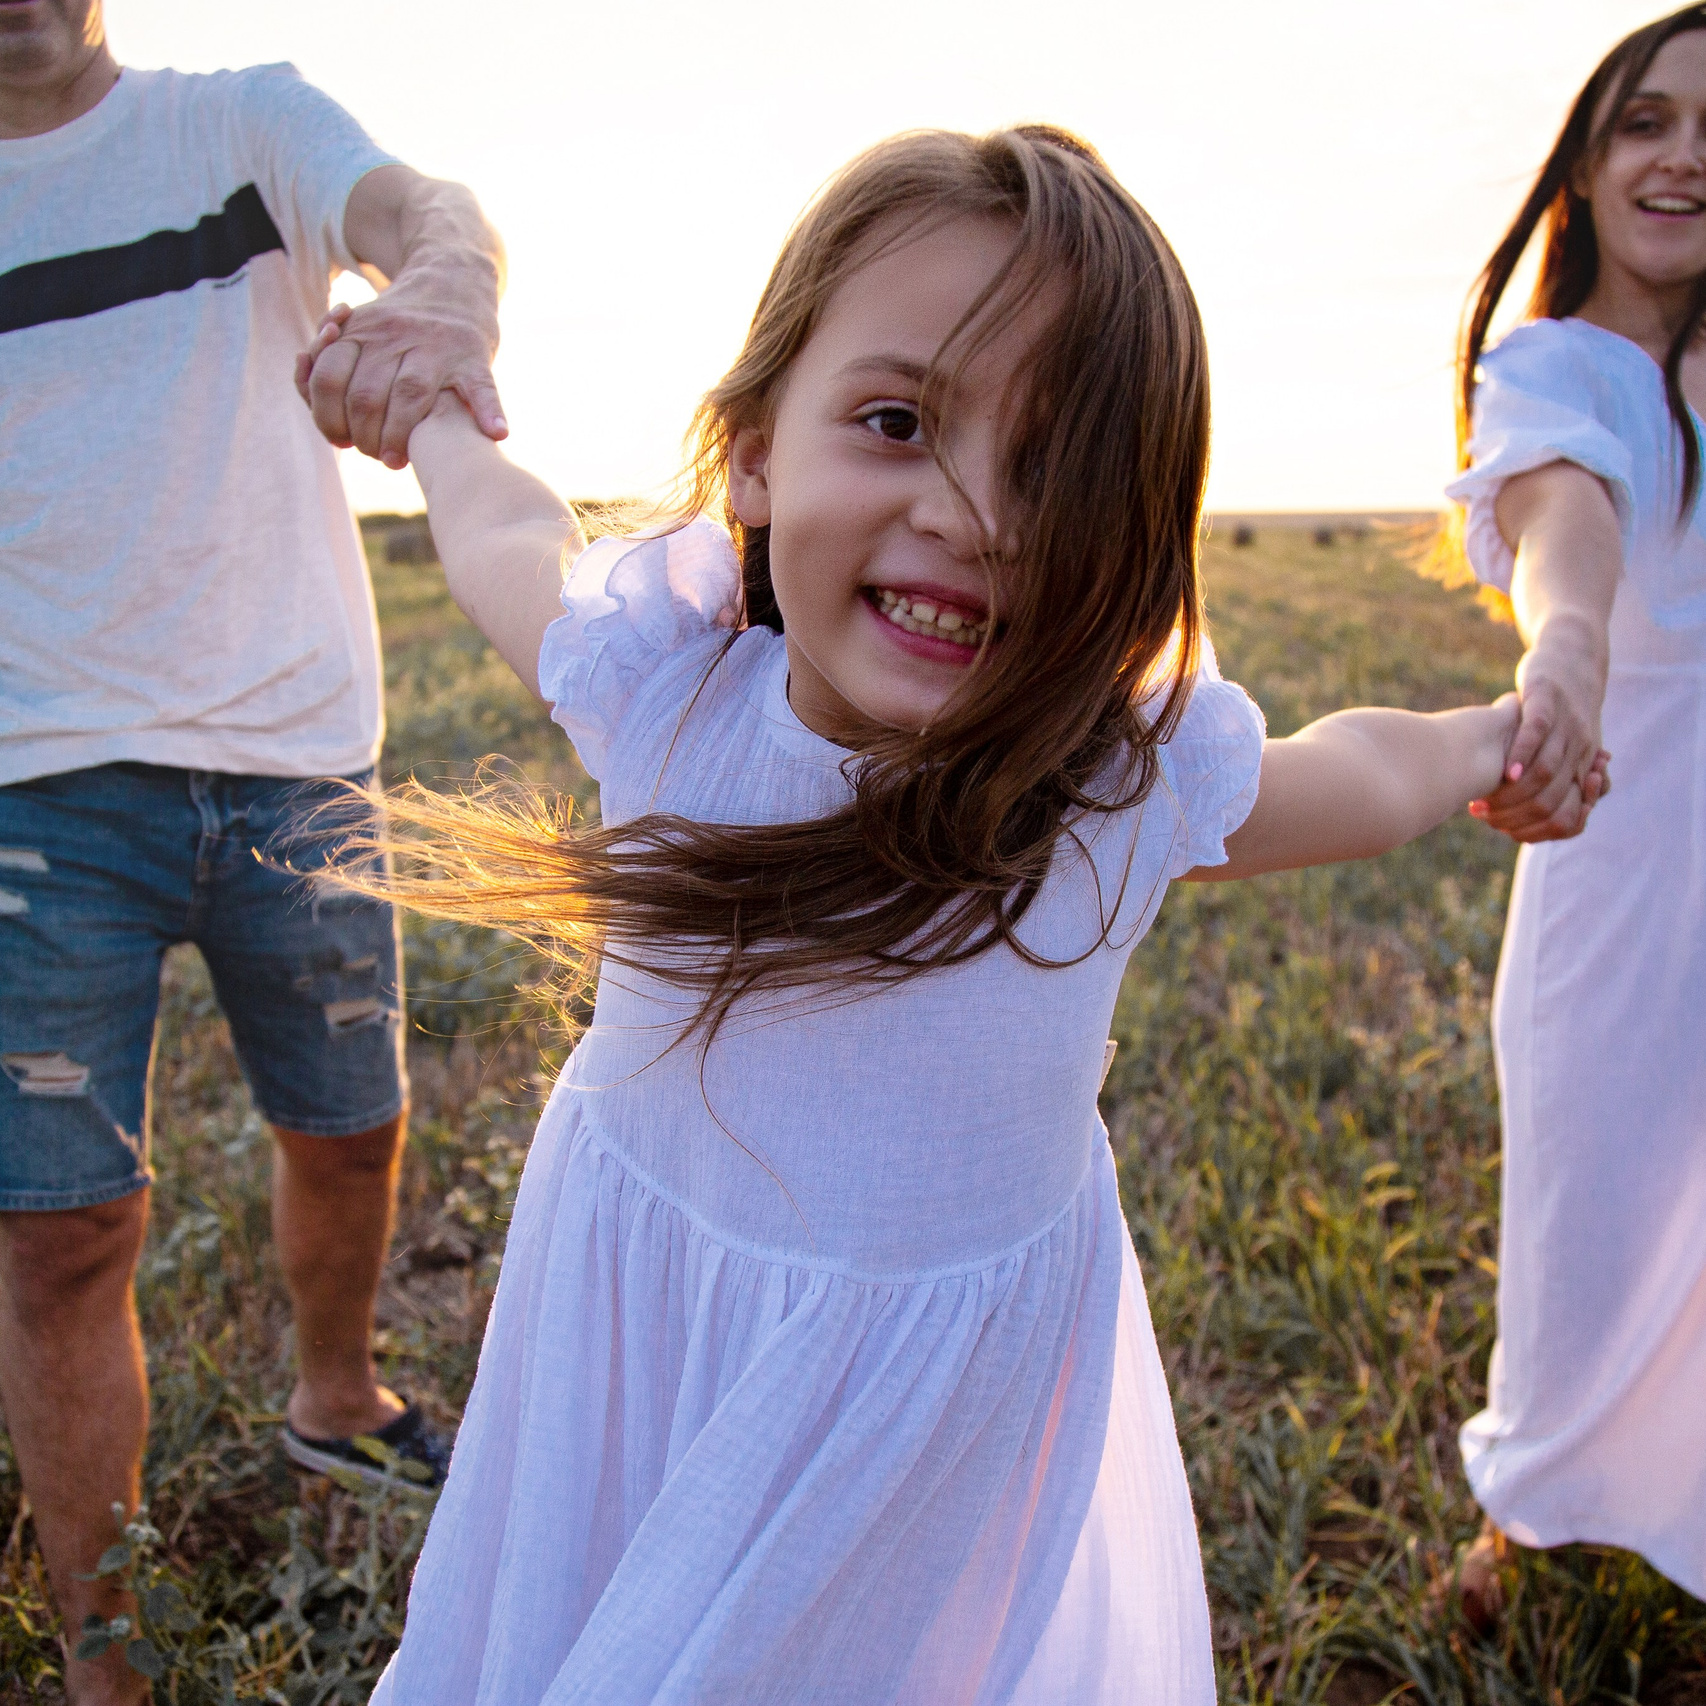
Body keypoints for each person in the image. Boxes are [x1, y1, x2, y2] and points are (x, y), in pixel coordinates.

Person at [303, 127, 1549, 1702]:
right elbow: (504, 530)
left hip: (912, 1440)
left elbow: (1354, 774)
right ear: (757, 453)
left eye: (1056, 470)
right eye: (897, 423)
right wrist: (429, 413)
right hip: (646, 1344)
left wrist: (1488, 740)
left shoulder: (1103, 789)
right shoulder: (667, 690)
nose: (973, 516)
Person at [0, 4, 507, 1701]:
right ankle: (104, 1663)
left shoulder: (242, 125)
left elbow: (426, 208)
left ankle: (338, 1396)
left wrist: (443, 289)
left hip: (297, 753)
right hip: (33, 787)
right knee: (62, 1232)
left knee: (350, 1130)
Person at [1445, 2, 1706, 1620]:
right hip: (1625, 835)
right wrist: (1568, 643)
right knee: (1592, 1183)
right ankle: (1534, 1500)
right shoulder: (1559, 368)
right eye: (1647, 124)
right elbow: (1566, 519)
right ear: (1583, 172)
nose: (1684, 160)